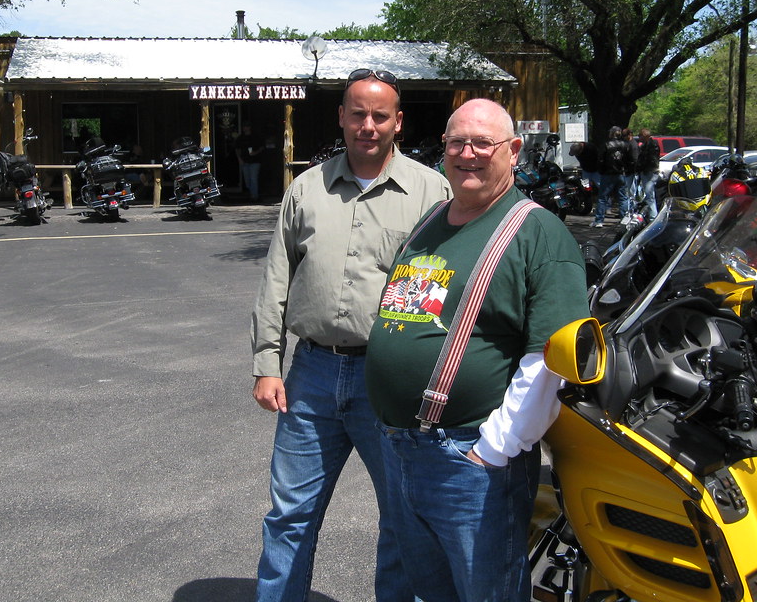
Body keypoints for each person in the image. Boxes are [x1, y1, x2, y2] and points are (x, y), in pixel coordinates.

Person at [366, 98, 590, 602]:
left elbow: (548, 360)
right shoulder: (431, 222)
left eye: (482, 143)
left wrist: (494, 450)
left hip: (468, 461)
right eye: (456, 142)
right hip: (400, 448)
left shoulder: (538, 233)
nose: (467, 153)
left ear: (512, 151)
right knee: (419, 591)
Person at [250, 68, 452, 602]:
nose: (368, 125)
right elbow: (277, 279)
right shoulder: (306, 188)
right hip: (310, 377)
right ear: (341, 117)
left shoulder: (434, 192)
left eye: (379, 115)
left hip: (389, 378)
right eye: (357, 113)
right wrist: (267, 363)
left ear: (398, 122)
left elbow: (446, 286)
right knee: (290, 514)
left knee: (401, 518)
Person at [592, 125, 632, 228]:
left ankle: (599, 220)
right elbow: (629, 159)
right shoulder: (625, 145)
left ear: (611, 134)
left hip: (608, 174)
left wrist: (601, 170)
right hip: (621, 174)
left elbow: (601, 160)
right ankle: (624, 220)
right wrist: (626, 170)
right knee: (623, 198)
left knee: (602, 198)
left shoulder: (606, 144)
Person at [235, 122, 265, 202]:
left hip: (255, 161)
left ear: (250, 127)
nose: (245, 128)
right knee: (247, 180)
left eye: (247, 126)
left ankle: (254, 196)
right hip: (245, 161)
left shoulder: (255, 137)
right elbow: (237, 149)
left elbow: (262, 147)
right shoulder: (240, 138)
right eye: (244, 126)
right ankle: (251, 193)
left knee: (253, 179)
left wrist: (255, 152)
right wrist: (239, 159)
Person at [636, 128, 661, 218]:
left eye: (640, 135)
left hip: (650, 172)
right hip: (645, 172)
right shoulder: (645, 145)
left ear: (645, 135)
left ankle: (653, 217)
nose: (639, 137)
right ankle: (651, 215)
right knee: (647, 194)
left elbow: (652, 160)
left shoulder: (653, 145)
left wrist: (645, 167)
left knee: (649, 194)